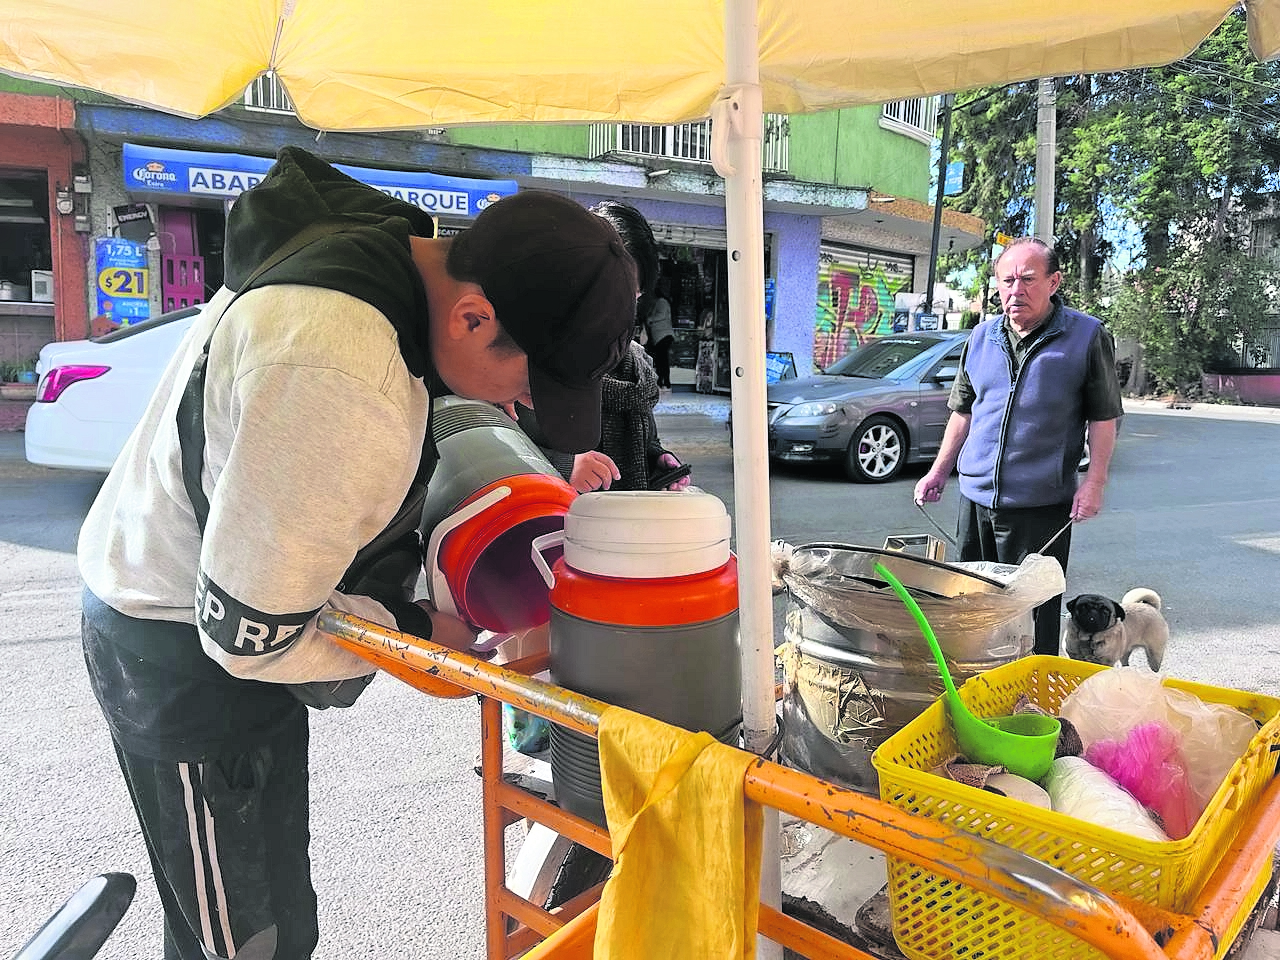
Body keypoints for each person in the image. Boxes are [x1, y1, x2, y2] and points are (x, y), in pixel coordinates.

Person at [76, 146, 637, 960]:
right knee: (249, 939)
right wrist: (413, 631)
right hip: (177, 646)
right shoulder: (342, 372)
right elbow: (248, 635)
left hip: (201, 596)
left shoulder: (385, 247)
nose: (519, 404)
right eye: (525, 382)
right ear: (473, 315)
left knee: (235, 915)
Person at [912, 237, 1123, 656]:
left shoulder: (1086, 337)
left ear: (1054, 281)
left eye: (1028, 279)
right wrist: (938, 470)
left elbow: (1104, 417)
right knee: (972, 603)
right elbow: (963, 411)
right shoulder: (981, 336)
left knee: (1032, 612)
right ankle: (978, 685)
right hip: (976, 501)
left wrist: (1094, 482)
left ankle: (1032, 699)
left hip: (1040, 506)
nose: (1015, 290)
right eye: (1007, 280)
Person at [516, 200, 690, 493]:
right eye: (608, 291)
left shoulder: (635, 363)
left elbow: (645, 438)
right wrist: (564, 465)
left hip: (621, 527)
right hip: (548, 523)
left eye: (631, 294)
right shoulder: (522, 358)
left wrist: (656, 459)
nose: (618, 309)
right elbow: (487, 447)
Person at [644, 279, 675, 389]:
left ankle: (665, 381)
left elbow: (661, 315)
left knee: (662, 359)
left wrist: (650, 319)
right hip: (660, 336)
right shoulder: (658, 302)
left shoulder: (661, 302)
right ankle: (663, 380)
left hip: (663, 335)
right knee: (661, 359)